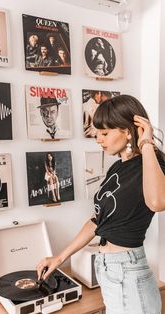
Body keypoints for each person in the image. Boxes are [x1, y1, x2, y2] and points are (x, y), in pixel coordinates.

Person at [37, 95, 165, 314]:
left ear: (127, 131)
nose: (98, 139)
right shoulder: (117, 168)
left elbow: (157, 202)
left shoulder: (154, 163)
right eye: (97, 133)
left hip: (129, 271)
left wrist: (145, 143)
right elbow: (97, 221)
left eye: (105, 133)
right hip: (108, 269)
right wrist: (59, 258)